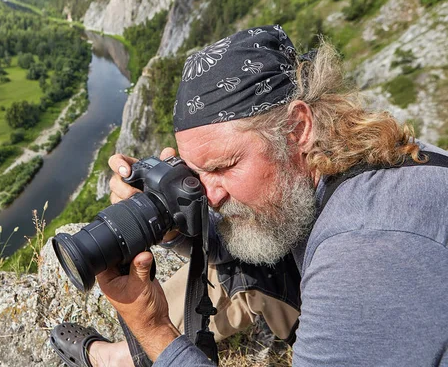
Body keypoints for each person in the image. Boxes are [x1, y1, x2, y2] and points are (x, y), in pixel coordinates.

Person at [51, 25, 448, 366]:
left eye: (223, 166)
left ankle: (118, 358)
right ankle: (123, 355)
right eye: (194, 172)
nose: (209, 194)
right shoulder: (342, 160)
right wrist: (172, 226)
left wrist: (154, 332)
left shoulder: (367, 250)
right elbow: (254, 245)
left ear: (297, 129)